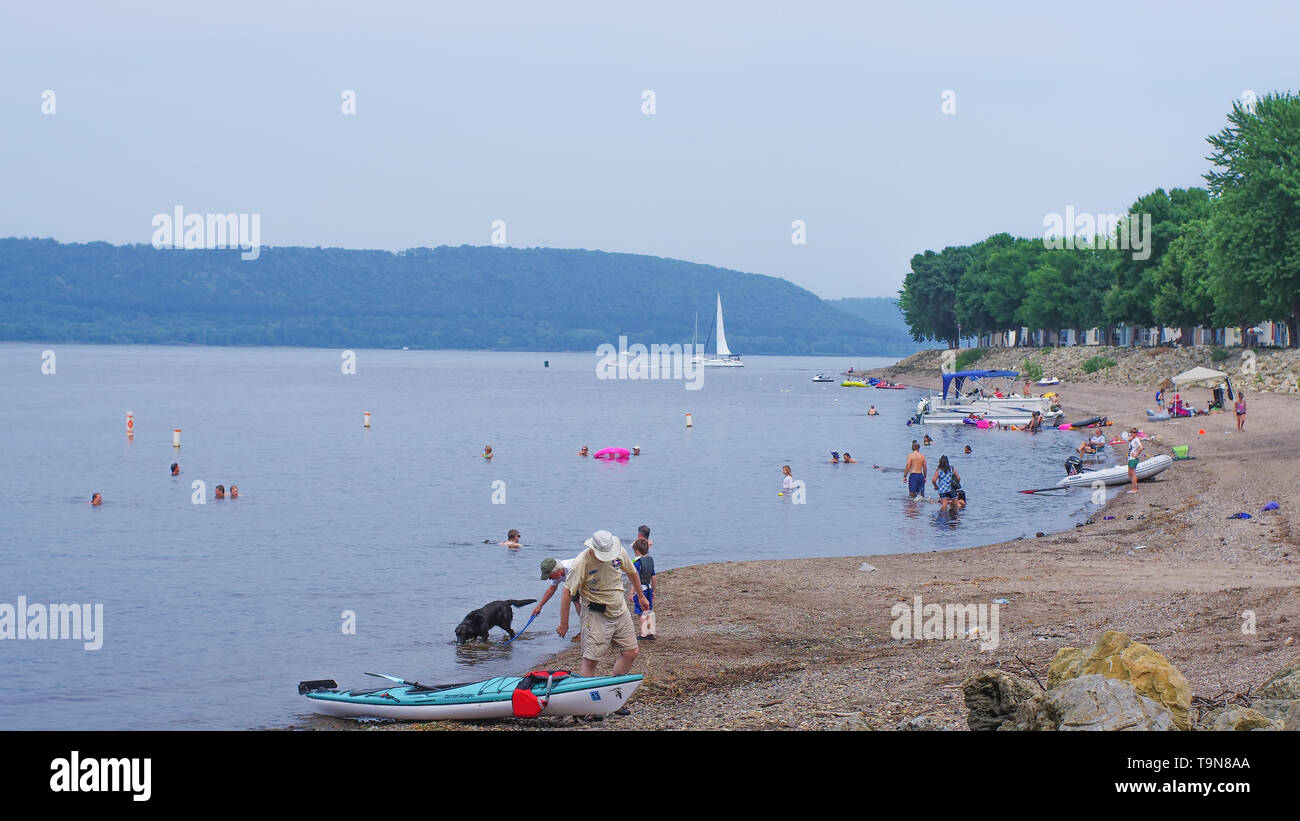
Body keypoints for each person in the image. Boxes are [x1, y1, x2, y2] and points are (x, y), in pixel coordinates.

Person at [557, 531, 649, 677]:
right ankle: (586, 694)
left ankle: (615, 684)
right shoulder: (581, 563)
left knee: (631, 652)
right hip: (595, 613)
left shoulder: (619, 552)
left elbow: (632, 572)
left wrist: (642, 596)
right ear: (592, 548)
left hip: (619, 608)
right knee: (591, 660)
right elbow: (567, 592)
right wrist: (564, 623)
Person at [533, 556, 585, 629]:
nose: (550, 578)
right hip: (575, 582)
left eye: (550, 576)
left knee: (584, 601)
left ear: (558, 571)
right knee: (575, 599)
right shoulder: (556, 573)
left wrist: (564, 624)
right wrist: (539, 606)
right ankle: (584, 625)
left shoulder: (571, 567)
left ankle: (588, 625)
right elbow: (552, 588)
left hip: (586, 577)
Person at [628, 537, 657, 640]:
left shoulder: (637, 563)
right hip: (648, 588)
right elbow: (653, 578)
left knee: (641, 613)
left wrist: (632, 593)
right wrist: (653, 591)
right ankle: (650, 632)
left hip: (641, 590)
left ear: (636, 551)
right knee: (648, 611)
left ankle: (644, 634)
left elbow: (636, 580)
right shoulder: (650, 561)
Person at [1126, 429, 1145, 494]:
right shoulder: (1132, 439)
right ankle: (1135, 486)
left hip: (1133, 459)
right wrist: (1130, 438)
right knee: (1129, 473)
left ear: (1136, 433)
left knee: (1133, 474)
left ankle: (1134, 489)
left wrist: (1136, 454)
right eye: (1131, 432)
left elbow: (1141, 447)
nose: (1132, 433)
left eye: (1133, 432)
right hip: (1130, 459)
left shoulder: (1136, 439)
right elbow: (1128, 439)